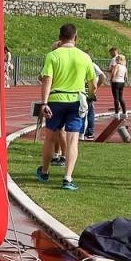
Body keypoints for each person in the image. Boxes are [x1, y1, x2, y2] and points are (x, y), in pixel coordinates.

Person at [35, 23, 95, 191]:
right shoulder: (84, 57)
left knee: (49, 137)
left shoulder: (53, 55)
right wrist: (89, 95)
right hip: (76, 99)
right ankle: (67, 178)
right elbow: (93, 82)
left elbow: (46, 80)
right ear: (76, 37)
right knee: (73, 139)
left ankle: (45, 171)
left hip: (56, 99)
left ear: (60, 37)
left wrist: (44, 102)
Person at [107, 46, 129, 118]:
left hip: (116, 82)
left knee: (116, 98)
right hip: (122, 82)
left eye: (117, 59)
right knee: (121, 98)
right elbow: (126, 76)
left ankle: (116, 113)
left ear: (119, 60)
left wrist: (111, 79)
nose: (116, 59)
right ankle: (124, 112)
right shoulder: (124, 67)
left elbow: (113, 73)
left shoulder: (117, 66)